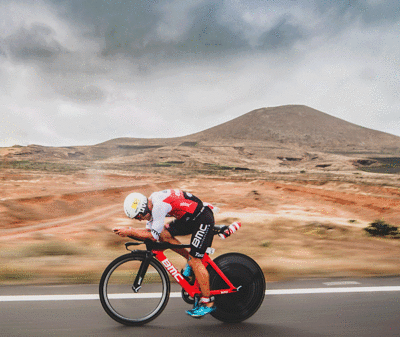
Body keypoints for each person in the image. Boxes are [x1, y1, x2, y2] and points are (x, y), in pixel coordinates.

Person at [113, 189, 216, 318]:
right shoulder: (152, 203)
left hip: (202, 218)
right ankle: (189, 259)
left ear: (144, 209)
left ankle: (208, 302)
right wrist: (131, 231)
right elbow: (153, 231)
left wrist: (130, 231)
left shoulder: (158, 206)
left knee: (196, 261)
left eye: (138, 217)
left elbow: (152, 236)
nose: (139, 220)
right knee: (164, 234)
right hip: (190, 217)